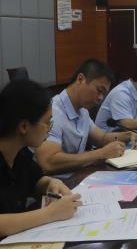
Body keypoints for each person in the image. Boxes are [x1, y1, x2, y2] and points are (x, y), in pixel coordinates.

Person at [0, 80, 82, 237]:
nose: (49, 130)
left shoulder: (20, 153)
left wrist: (51, 183)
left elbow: (36, 180)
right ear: (24, 127)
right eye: (47, 122)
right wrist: (50, 214)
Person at [35, 59, 137, 174]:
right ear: (80, 79)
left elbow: (102, 138)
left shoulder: (83, 110)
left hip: (79, 176)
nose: (100, 98)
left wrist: (128, 135)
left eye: (104, 94)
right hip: (58, 182)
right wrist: (100, 154)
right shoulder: (54, 112)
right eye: (99, 90)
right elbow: (48, 162)